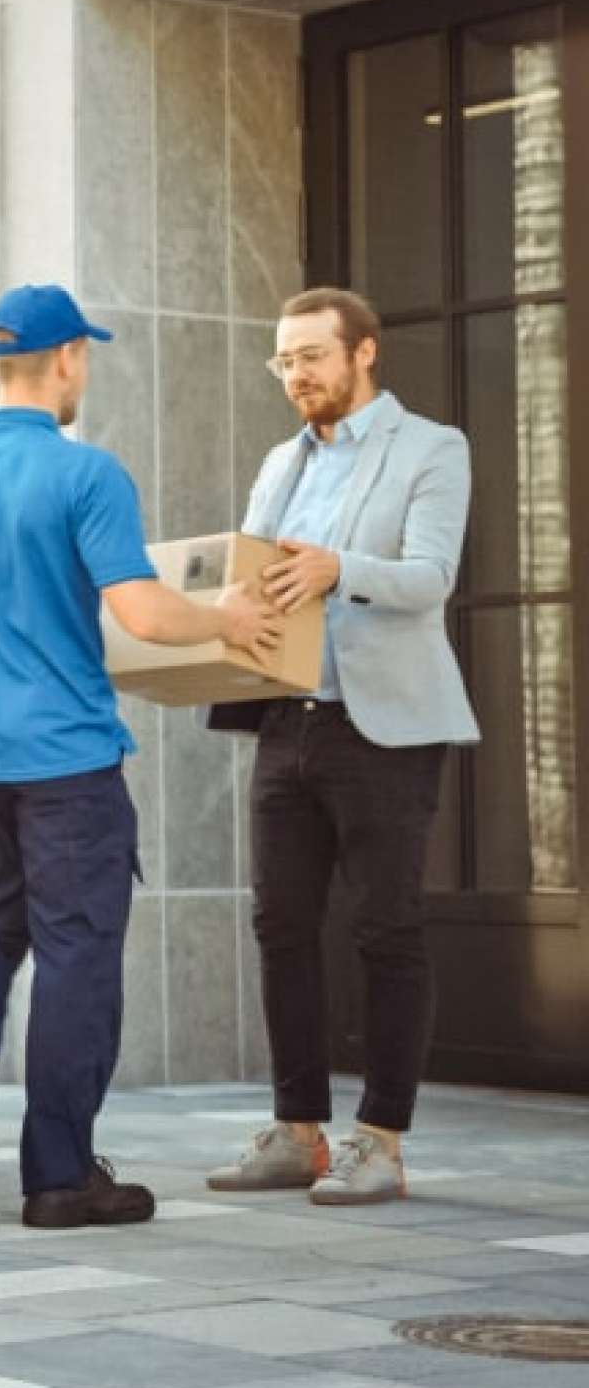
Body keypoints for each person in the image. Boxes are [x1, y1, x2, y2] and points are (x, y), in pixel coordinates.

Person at [0, 284, 277, 1229]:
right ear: (67, 358)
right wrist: (226, 618)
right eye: (86, 357)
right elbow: (144, 611)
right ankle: (61, 1175)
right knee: (75, 954)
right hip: (65, 760)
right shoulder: (85, 474)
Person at [205, 288, 477, 1207]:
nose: (297, 376)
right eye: (284, 361)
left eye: (312, 357)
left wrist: (338, 570)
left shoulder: (432, 448)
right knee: (281, 926)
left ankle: (382, 1140)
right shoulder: (281, 462)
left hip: (385, 725)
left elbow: (432, 578)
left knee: (385, 927)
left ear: (364, 353)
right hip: (289, 719)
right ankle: (298, 1132)